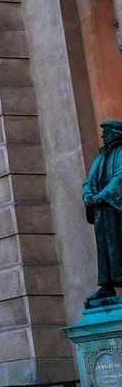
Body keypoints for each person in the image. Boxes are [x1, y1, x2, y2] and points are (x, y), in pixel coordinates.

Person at [85, 121, 122, 304]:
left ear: (115, 133)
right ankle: (106, 285)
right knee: (105, 249)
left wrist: (102, 195)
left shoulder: (121, 153)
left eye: (106, 132)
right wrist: (87, 194)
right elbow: (89, 180)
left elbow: (120, 177)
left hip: (117, 208)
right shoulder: (99, 158)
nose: (103, 136)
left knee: (119, 244)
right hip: (102, 211)